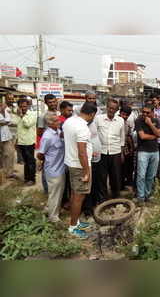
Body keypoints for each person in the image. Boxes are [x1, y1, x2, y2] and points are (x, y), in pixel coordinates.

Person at [63, 102, 97, 239]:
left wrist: (90, 153)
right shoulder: (83, 128)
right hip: (79, 166)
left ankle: (76, 222)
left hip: (71, 163)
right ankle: (72, 227)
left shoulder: (69, 121)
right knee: (79, 197)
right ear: (92, 114)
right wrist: (86, 171)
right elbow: (81, 152)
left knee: (74, 194)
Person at [37, 114, 65, 223]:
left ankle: (49, 209)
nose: (59, 121)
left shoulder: (58, 132)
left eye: (58, 120)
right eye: (56, 120)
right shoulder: (47, 136)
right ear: (49, 123)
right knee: (55, 194)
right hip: (53, 169)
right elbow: (40, 154)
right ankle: (53, 217)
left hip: (60, 167)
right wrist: (46, 160)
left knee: (56, 192)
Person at [95, 99, 125, 201]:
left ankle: (115, 197)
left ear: (117, 110)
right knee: (102, 177)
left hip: (115, 152)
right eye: (110, 108)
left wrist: (121, 153)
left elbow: (122, 138)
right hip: (102, 152)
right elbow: (94, 135)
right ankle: (103, 198)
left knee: (115, 176)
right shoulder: (98, 119)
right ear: (106, 107)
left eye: (114, 108)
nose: (111, 110)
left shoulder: (120, 121)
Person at [135, 105, 160, 204]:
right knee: (141, 175)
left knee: (151, 175)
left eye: (147, 112)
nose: (145, 114)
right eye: (143, 112)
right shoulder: (138, 121)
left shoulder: (156, 121)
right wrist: (154, 136)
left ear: (152, 113)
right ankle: (140, 197)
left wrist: (150, 124)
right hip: (143, 151)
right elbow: (142, 136)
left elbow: (159, 134)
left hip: (155, 152)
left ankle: (147, 194)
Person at [14, 98, 37, 186]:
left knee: (31, 161)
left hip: (29, 142)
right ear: (18, 106)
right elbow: (16, 126)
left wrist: (21, 116)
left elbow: (27, 124)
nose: (23, 108)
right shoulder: (18, 115)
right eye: (21, 106)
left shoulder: (32, 114)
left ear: (28, 106)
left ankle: (32, 179)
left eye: (24, 106)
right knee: (25, 161)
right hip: (21, 142)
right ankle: (27, 178)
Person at [119, 105, 135, 189]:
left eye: (127, 115)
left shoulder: (127, 123)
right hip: (118, 148)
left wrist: (131, 147)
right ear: (120, 113)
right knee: (120, 167)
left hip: (126, 147)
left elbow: (128, 136)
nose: (124, 116)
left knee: (128, 165)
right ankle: (120, 185)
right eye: (123, 114)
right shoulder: (116, 121)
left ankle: (127, 182)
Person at [0, 100, 14, 179]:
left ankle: (9, 173)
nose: (2, 106)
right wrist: (6, 122)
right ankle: (2, 173)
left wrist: (4, 122)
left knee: (9, 154)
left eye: (2, 105)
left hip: (6, 136)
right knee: (1, 156)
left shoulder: (6, 112)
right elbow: (6, 122)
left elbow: (9, 121)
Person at [5, 93, 18, 175]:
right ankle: (8, 172)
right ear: (5, 99)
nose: (11, 100)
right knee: (7, 153)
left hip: (14, 133)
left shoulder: (14, 108)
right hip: (7, 133)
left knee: (12, 153)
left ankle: (11, 169)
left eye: (12, 98)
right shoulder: (3, 108)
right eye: (9, 98)